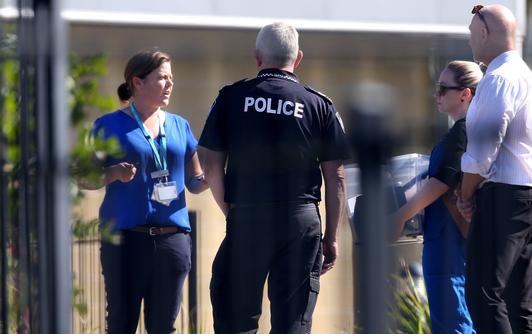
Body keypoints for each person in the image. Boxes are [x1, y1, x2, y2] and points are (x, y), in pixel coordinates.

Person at [199, 22, 349, 334]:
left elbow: (211, 166)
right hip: (301, 220)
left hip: (248, 217)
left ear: (257, 57)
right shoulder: (320, 104)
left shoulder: (230, 97)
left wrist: (233, 213)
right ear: (298, 59)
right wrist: (331, 236)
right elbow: (336, 176)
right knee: (293, 321)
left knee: (235, 317)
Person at [86, 50, 208, 334]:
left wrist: (213, 177)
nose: (170, 84)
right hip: (126, 242)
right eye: (162, 78)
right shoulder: (108, 126)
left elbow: (195, 182)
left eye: (171, 78)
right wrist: (114, 173)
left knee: (164, 327)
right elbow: (84, 178)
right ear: (137, 82)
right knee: (121, 324)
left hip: (172, 242)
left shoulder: (180, 125)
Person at [457, 4, 532, 334]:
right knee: (518, 302)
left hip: (505, 200)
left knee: (483, 295)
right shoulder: (529, 80)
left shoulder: (497, 80)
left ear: (484, 33)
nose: (470, 41)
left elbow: (483, 151)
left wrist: (465, 194)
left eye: (471, 33)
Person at [392, 60, 482, 334]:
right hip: (447, 238)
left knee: (453, 321)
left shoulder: (463, 131)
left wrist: (400, 215)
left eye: (443, 89)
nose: (437, 94)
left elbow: (442, 182)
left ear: (465, 94)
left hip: (449, 241)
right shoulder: (468, 130)